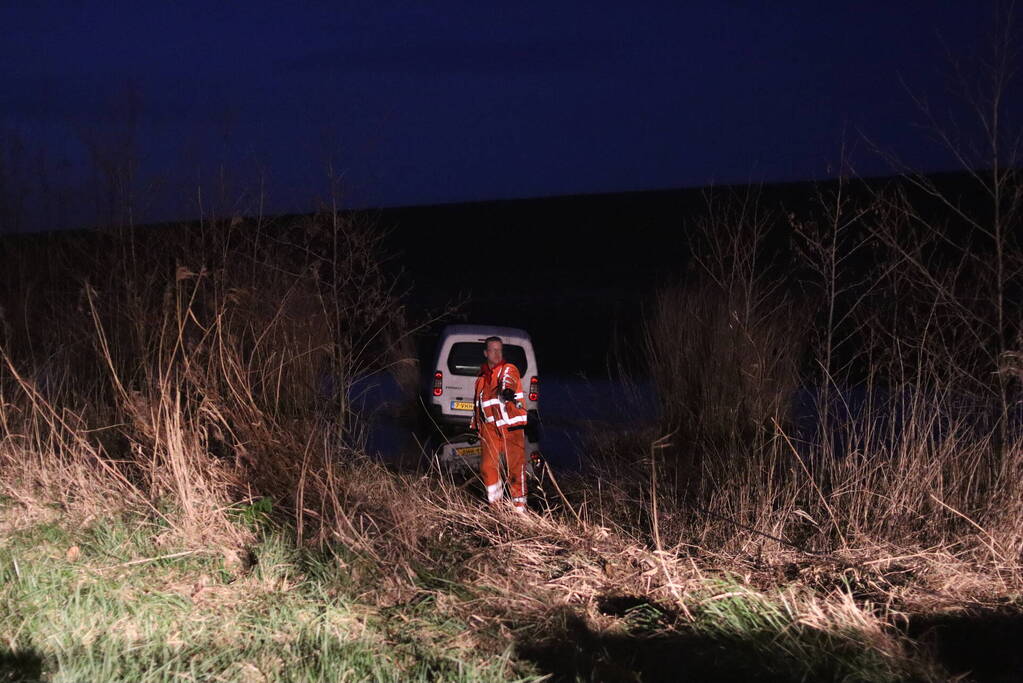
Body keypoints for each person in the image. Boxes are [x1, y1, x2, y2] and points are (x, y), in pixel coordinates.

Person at [469, 336, 529, 511]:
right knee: (487, 467)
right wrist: (476, 425)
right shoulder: (481, 378)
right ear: (486, 353)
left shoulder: (508, 369)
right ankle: (496, 506)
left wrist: (507, 390)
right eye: (493, 350)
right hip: (489, 428)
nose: (497, 353)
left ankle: (520, 510)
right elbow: (478, 404)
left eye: (499, 350)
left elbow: (508, 380)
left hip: (510, 427)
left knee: (515, 468)